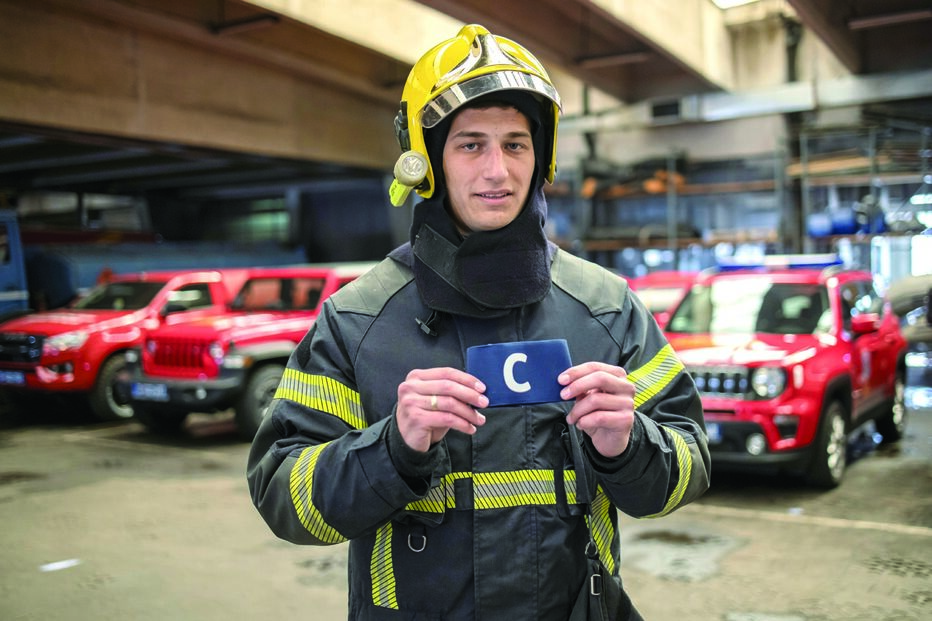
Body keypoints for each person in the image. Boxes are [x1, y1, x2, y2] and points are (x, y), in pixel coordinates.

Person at [247, 24, 710, 620]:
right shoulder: (357, 319)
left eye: (516, 144)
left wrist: (628, 446)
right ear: (427, 161)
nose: (498, 171)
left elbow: (691, 462)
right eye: (471, 145)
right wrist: (392, 448)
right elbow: (281, 496)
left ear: (540, 157)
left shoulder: (607, 305)